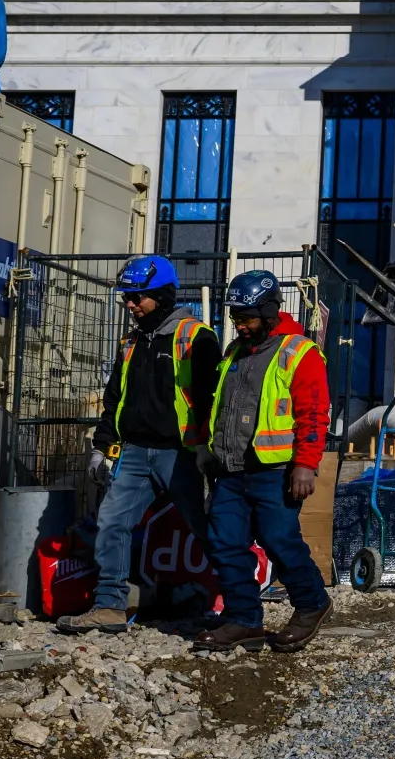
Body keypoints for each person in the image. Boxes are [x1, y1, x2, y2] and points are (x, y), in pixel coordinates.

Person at [59, 256, 220, 635]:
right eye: (128, 297)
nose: (130, 304)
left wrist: (207, 449)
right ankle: (109, 607)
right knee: (112, 523)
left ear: (162, 295)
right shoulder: (131, 343)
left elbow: (214, 399)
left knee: (209, 528)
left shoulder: (197, 337)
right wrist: (103, 446)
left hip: (182, 455)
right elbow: (114, 399)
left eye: (138, 297)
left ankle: (240, 606)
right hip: (133, 453)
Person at [192, 270, 334, 654]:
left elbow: (314, 414)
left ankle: (312, 604)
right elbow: (217, 406)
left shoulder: (299, 352)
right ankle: (244, 620)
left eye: (248, 317)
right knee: (225, 543)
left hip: (276, 470)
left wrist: (306, 464)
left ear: (271, 310)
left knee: (278, 540)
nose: (240, 324)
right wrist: (204, 446)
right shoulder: (235, 352)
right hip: (231, 470)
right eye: (236, 317)